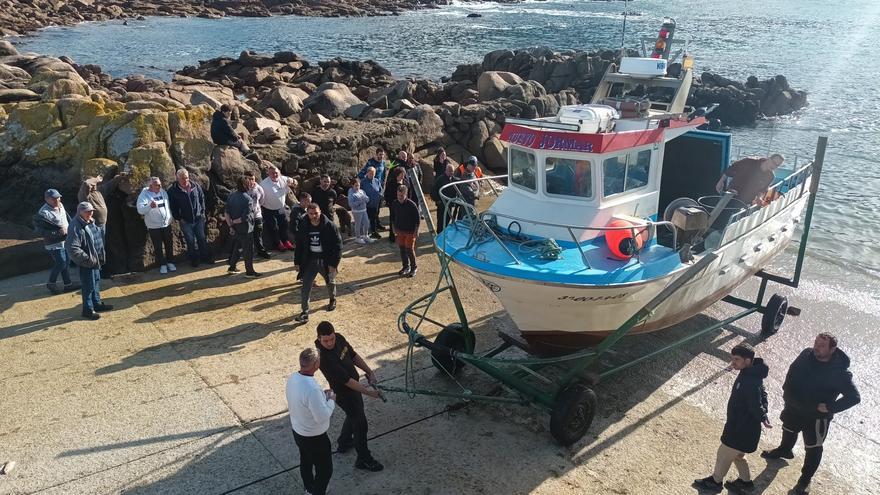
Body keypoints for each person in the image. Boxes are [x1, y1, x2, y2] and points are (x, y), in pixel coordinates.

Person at [761, 333, 860, 495]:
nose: (816, 347)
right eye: (816, 342)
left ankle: (805, 479)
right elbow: (791, 371)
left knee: (813, 448)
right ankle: (784, 450)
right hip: (793, 407)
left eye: (821, 345)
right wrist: (787, 391)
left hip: (816, 418)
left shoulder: (840, 373)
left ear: (833, 349)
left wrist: (829, 407)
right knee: (788, 430)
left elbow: (854, 398)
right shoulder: (806, 354)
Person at [694, 343, 770, 493]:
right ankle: (745, 482)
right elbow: (763, 395)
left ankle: (715, 481)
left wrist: (763, 416)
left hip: (740, 428)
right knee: (738, 456)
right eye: (732, 358)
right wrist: (763, 414)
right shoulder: (752, 374)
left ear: (747, 360)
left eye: (736, 359)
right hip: (745, 428)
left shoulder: (750, 381)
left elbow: (756, 403)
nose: (732, 362)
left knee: (724, 453)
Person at [315, 321, 384, 472]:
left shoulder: (339, 338)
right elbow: (348, 381)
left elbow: (353, 356)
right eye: (325, 340)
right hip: (344, 393)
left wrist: (369, 371)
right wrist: (370, 393)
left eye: (331, 338)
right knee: (360, 424)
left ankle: (344, 442)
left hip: (353, 388)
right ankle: (364, 459)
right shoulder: (324, 359)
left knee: (353, 416)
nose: (330, 343)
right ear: (319, 339)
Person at [286, 348, 336, 495]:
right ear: (316, 364)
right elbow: (322, 416)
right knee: (325, 470)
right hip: (315, 438)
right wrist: (331, 400)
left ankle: (309, 488)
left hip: (298, 432)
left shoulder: (293, 377)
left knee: (306, 461)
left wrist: (321, 398)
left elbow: (305, 403)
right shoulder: (312, 389)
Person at [293, 203, 342, 323]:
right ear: (307, 214)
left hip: (326, 260)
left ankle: (332, 299)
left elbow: (338, 245)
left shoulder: (329, 225)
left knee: (330, 282)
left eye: (316, 213)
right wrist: (297, 261)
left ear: (320, 211)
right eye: (311, 214)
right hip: (309, 260)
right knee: (305, 287)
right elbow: (299, 245)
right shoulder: (304, 225)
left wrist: (333, 264)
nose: (314, 216)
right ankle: (304, 312)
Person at [65, 202, 112, 320]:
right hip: (88, 263)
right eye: (87, 211)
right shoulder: (75, 226)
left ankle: (97, 304)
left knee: (95, 282)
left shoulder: (90, 221)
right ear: (80, 211)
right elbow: (72, 247)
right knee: (88, 286)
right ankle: (87, 310)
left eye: (91, 211)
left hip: (95, 261)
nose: (91, 213)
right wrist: (87, 259)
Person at [35, 189, 78, 295]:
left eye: (58, 197)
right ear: (46, 199)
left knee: (66, 262)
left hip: (66, 240)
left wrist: (73, 226)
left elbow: (67, 218)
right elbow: (39, 231)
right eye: (53, 198)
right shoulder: (43, 213)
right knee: (61, 262)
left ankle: (68, 284)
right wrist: (57, 232)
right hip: (53, 244)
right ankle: (51, 283)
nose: (57, 199)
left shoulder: (60, 205)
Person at [168, 169, 212, 267]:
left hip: (198, 218)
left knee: (202, 238)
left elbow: (202, 199)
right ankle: (194, 259)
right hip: (185, 221)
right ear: (177, 178)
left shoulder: (195, 186)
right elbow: (172, 206)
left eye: (186, 177)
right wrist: (179, 218)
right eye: (182, 178)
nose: (185, 180)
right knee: (190, 241)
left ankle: (205, 257)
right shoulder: (173, 191)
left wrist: (202, 212)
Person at [136, 177, 175, 274]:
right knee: (158, 246)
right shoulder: (144, 195)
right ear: (150, 186)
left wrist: (169, 217)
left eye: (160, 184)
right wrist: (149, 206)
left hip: (166, 224)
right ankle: (162, 264)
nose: (160, 186)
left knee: (169, 244)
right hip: (154, 226)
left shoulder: (163, 192)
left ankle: (170, 262)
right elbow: (140, 210)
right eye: (157, 185)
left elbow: (168, 205)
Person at [225, 175, 261, 278]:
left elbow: (226, 213)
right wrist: (235, 222)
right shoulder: (248, 199)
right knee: (248, 250)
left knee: (238, 247)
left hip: (236, 228)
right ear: (246, 185)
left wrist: (231, 225)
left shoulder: (231, 196)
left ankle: (232, 267)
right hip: (246, 229)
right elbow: (244, 217)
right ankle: (250, 272)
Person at [715, 154, 785, 205]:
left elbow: (763, 190)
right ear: (769, 158)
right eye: (774, 163)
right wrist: (720, 182)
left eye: (777, 165)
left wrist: (759, 198)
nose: (774, 166)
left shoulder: (771, 176)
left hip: (746, 201)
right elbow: (731, 168)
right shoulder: (749, 161)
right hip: (731, 194)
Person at [259, 163, 296, 252]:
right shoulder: (263, 184)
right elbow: (258, 195)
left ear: (279, 172)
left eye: (276, 173)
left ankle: (286, 241)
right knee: (274, 227)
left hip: (281, 208)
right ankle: (278, 243)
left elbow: (294, 181)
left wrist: (294, 182)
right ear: (268, 173)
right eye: (272, 173)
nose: (275, 175)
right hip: (268, 209)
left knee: (284, 225)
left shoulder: (283, 179)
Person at [391, 184, 420, 277]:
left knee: (409, 249)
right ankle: (405, 267)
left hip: (410, 231)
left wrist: (416, 231)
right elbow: (392, 217)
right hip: (399, 230)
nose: (399, 197)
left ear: (406, 194)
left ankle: (414, 267)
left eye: (402, 195)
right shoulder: (394, 203)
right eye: (398, 195)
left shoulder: (412, 205)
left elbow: (417, 219)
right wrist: (393, 228)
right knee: (402, 249)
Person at [244, 171, 270, 259]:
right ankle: (246, 253)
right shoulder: (243, 189)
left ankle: (261, 251)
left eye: (253, 179)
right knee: (247, 236)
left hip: (257, 215)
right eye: (249, 179)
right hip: (246, 216)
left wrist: (257, 209)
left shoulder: (259, 188)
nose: (251, 181)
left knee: (258, 234)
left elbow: (262, 200)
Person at [431, 163, 458, 234]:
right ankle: (439, 234)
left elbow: (460, 182)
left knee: (447, 220)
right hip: (441, 204)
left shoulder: (454, 179)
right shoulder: (440, 179)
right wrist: (437, 200)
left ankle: (445, 234)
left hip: (449, 204)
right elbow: (433, 191)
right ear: (446, 170)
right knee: (440, 221)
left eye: (452, 171)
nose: (451, 173)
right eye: (450, 171)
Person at [347, 177, 373, 245]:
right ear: (352, 185)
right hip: (357, 212)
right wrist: (360, 201)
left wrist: (366, 199)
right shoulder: (351, 193)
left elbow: (367, 199)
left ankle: (365, 236)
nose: (358, 187)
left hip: (364, 210)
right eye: (356, 185)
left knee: (367, 223)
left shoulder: (362, 191)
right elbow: (351, 204)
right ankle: (358, 238)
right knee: (358, 225)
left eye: (358, 185)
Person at [384, 167, 406, 243]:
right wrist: (389, 203)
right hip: (394, 204)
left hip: (404, 204)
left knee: (402, 220)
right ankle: (392, 235)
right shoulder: (391, 183)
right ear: (397, 174)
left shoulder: (405, 181)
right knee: (393, 220)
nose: (403, 175)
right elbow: (387, 193)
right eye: (402, 174)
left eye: (404, 173)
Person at [361, 166, 383, 239]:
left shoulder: (376, 180)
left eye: (373, 174)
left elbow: (380, 189)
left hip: (375, 203)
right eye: (370, 174)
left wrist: (380, 195)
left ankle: (374, 232)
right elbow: (360, 192)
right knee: (366, 219)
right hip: (367, 204)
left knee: (374, 218)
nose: (372, 175)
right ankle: (365, 233)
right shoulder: (363, 182)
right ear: (367, 173)